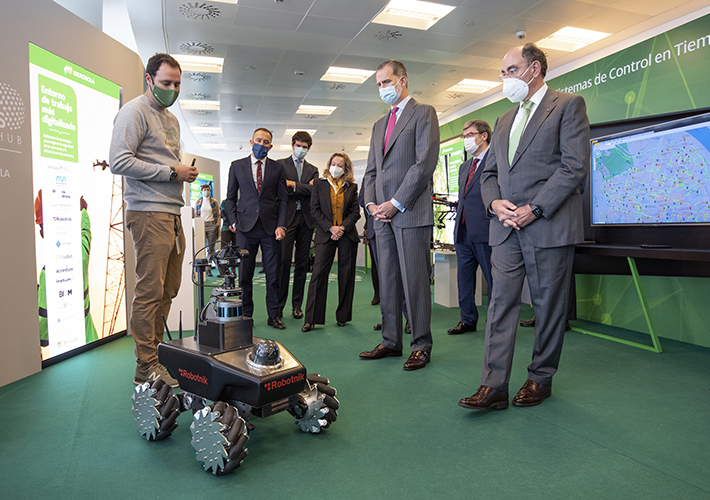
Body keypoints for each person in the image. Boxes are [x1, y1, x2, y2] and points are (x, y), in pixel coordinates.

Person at [458, 43, 590, 410]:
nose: (505, 78)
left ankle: (540, 377)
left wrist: (536, 207)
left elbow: (573, 166)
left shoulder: (567, 105)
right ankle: (493, 385)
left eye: (511, 70)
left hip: (548, 225)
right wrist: (494, 202)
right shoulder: (503, 120)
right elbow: (490, 174)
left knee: (548, 306)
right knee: (500, 305)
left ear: (534, 69)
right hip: (505, 229)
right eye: (503, 73)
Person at [109, 53, 198, 387]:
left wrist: (179, 175)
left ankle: (156, 355)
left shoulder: (170, 120)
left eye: (177, 84)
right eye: (166, 83)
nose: (172, 89)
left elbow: (166, 165)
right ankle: (145, 363)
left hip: (172, 213)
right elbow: (118, 160)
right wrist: (171, 171)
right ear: (149, 79)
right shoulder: (133, 111)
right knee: (149, 291)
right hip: (148, 212)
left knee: (169, 288)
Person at [359, 59, 440, 371]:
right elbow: (370, 172)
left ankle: (421, 344)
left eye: (386, 82)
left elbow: (423, 164)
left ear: (402, 80)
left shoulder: (424, 113)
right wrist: (371, 205)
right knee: (389, 281)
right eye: (378, 84)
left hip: (410, 213)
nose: (383, 88)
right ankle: (391, 341)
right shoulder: (379, 125)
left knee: (415, 282)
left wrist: (395, 202)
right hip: (381, 216)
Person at [225, 127, 287, 329]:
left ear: (271, 146)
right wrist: (233, 221)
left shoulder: (277, 168)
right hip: (245, 228)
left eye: (266, 142)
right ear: (251, 142)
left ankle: (274, 315)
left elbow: (283, 200)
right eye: (258, 140)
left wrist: (281, 225)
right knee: (245, 274)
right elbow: (230, 198)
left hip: (270, 229)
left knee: (273, 274)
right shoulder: (237, 166)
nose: (262, 144)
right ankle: (246, 315)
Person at [302, 153, 360, 332]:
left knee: (346, 275)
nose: (336, 167)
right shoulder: (319, 184)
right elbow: (314, 210)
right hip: (325, 234)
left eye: (340, 164)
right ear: (329, 165)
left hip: (347, 234)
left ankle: (343, 316)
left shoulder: (351, 186)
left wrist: (342, 227)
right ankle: (311, 319)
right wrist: (331, 228)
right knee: (318, 274)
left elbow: (355, 212)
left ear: (346, 168)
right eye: (333, 163)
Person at [448, 120, 494, 335]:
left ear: (484, 136)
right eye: (464, 135)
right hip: (463, 231)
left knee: (493, 279)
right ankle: (467, 319)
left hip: (486, 230)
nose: (466, 139)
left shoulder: (496, 160)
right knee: (464, 279)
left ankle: (496, 322)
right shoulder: (465, 165)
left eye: (470, 134)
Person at [276, 131, 319, 320]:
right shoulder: (279, 165)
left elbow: (314, 191)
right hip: (287, 219)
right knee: (284, 262)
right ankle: (278, 306)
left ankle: (297, 305)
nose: (302, 149)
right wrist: (304, 188)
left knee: (302, 265)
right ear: (293, 145)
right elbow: (280, 189)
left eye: (305, 147)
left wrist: (293, 185)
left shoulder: (313, 169)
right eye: (299, 145)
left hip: (306, 220)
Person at [194, 183, 219, 276]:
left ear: (210, 190)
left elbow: (218, 214)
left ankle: (208, 268)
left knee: (210, 247)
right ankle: (202, 267)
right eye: (204, 190)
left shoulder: (214, 202)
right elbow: (195, 214)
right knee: (201, 246)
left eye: (207, 189)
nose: (206, 191)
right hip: (201, 225)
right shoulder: (198, 202)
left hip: (212, 224)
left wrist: (217, 224)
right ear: (201, 191)